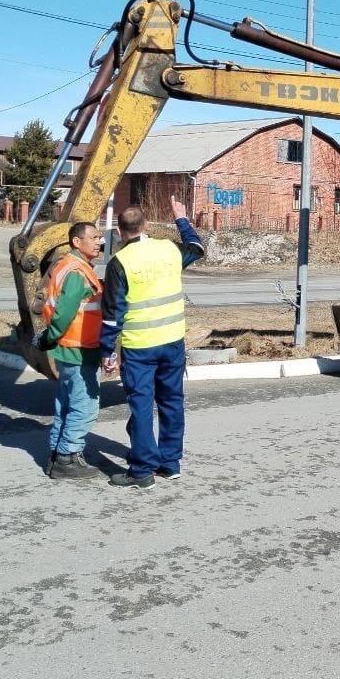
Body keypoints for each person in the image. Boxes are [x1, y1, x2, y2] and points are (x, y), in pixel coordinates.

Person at [99, 196, 205, 489]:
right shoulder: (168, 249)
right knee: (172, 402)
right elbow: (197, 248)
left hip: (139, 347)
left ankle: (142, 471)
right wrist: (181, 219)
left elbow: (112, 314)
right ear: (145, 225)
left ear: (120, 231)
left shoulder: (119, 263)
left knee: (142, 407)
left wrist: (107, 351)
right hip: (172, 342)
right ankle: (170, 464)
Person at [37, 221, 105, 480]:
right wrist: (50, 336)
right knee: (85, 406)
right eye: (94, 237)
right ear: (77, 241)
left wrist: (51, 339)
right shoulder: (77, 272)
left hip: (67, 349)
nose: (99, 242)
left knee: (65, 405)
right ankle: (67, 458)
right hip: (80, 349)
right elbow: (65, 313)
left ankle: (56, 455)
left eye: (99, 237)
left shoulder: (66, 265)